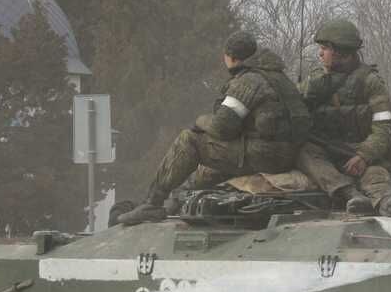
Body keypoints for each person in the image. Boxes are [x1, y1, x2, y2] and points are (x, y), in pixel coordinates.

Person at [117, 32, 310, 225]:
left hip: (265, 155)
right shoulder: (277, 77)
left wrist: (200, 121)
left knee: (190, 140)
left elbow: (222, 128)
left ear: (231, 57)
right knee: (211, 161)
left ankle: (152, 204)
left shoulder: (249, 81)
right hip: (286, 154)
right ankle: (177, 202)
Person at [297, 18, 391, 215]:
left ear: (340, 52)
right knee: (305, 154)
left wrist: (364, 156)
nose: (320, 53)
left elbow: (384, 128)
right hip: (327, 153)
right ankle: (350, 194)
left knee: (375, 174)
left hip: (363, 151)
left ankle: (385, 201)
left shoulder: (370, 82)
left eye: (325, 48)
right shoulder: (314, 81)